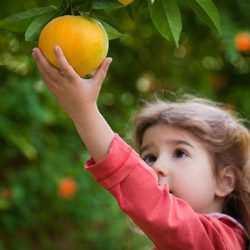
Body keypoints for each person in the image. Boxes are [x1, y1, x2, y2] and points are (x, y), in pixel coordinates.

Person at [32, 45, 250, 250]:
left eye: (180, 153)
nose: (158, 167)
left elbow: (154, 204)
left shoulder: (222, 241)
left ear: (225, 181)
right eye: (149, 157)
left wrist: (84, 113)